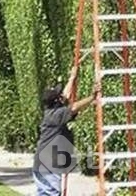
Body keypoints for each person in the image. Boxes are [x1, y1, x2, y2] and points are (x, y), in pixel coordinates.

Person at [32, 66, 97, 196]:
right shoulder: (56, 115)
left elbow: (66, 95)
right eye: (59, 95)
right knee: (51, 193)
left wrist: (72, 78)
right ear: (57, 101)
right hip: (48, 164)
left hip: (43, 163)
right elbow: (74, 107)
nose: (63, 95)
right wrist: (92, 97)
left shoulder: (53, 111)